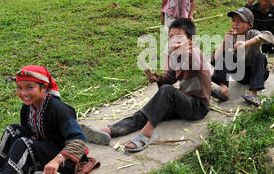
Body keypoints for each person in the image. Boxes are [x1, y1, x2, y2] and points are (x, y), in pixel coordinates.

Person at [82, 18, 211, 153]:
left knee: (167, 91)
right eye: (171, 37)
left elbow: (194, 63)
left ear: (190, 41)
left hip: (198, 107)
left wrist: (186, 55)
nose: (173, 42)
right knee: (147, 112)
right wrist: (157, 78)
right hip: (182, 103)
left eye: (179, 38)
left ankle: (147, 133)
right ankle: (111, 130)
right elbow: (170, 78)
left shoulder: (195, 54)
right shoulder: (175, 56)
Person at [210, 7, 274, 107]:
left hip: (258, 73)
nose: (235, 24)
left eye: (240, 21)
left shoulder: (252, 33)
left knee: (260, 57)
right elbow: (215, 59)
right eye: (233, 20)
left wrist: (246, 43)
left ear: (249, 25)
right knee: (224, 54)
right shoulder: (231, 37)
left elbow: (269, 36)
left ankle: (253, 94)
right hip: (240, 75)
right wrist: (224, 43)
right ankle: (223, 90)